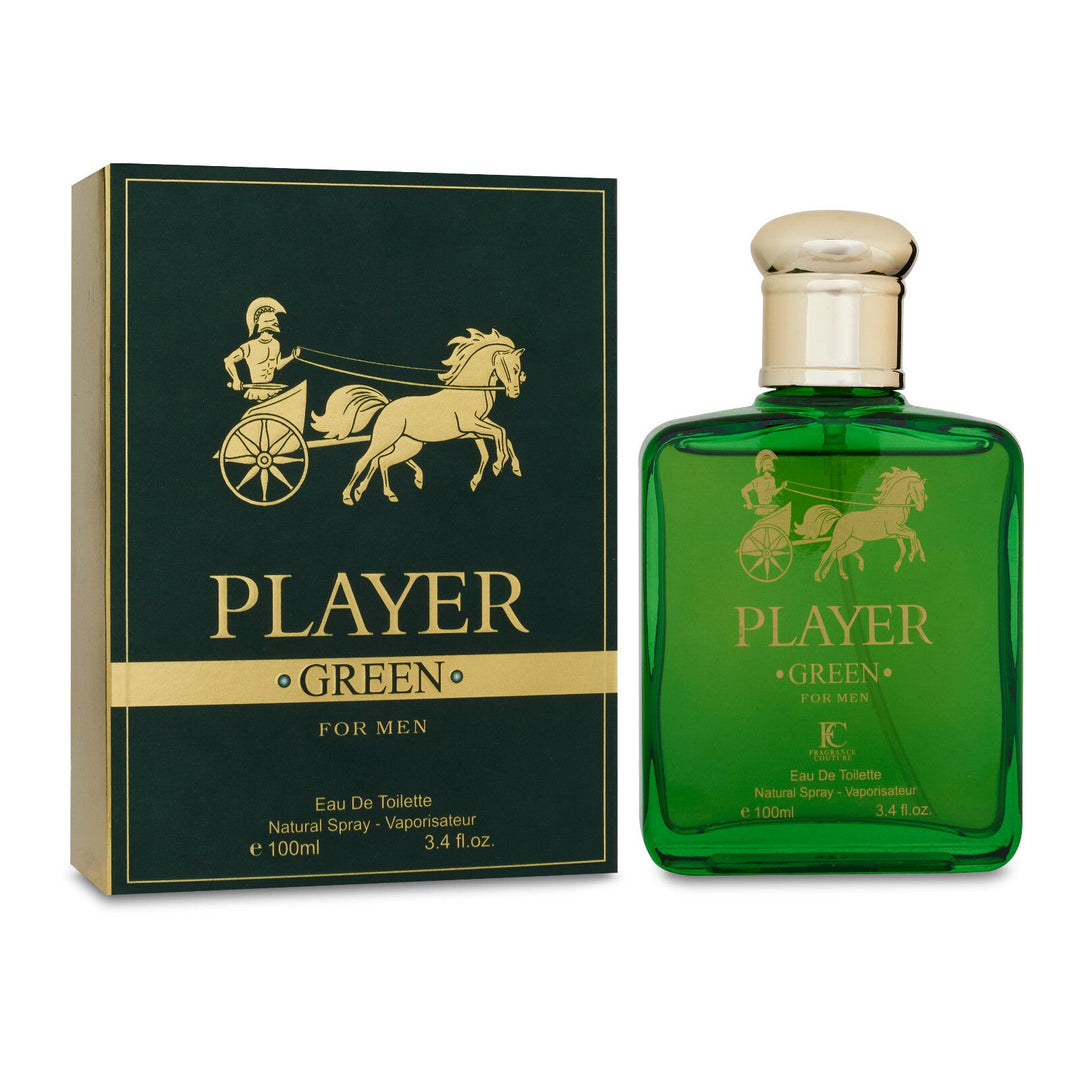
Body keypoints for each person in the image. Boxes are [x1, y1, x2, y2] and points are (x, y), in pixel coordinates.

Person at [224, 297, 298, 401]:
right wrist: (236, 379)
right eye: (271, 321)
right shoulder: (249, 346)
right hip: (256, 391)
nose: (275, 323)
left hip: (272, 389)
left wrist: (292, 357)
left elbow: (277, 365)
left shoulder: (276, 344)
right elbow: (228, 360)